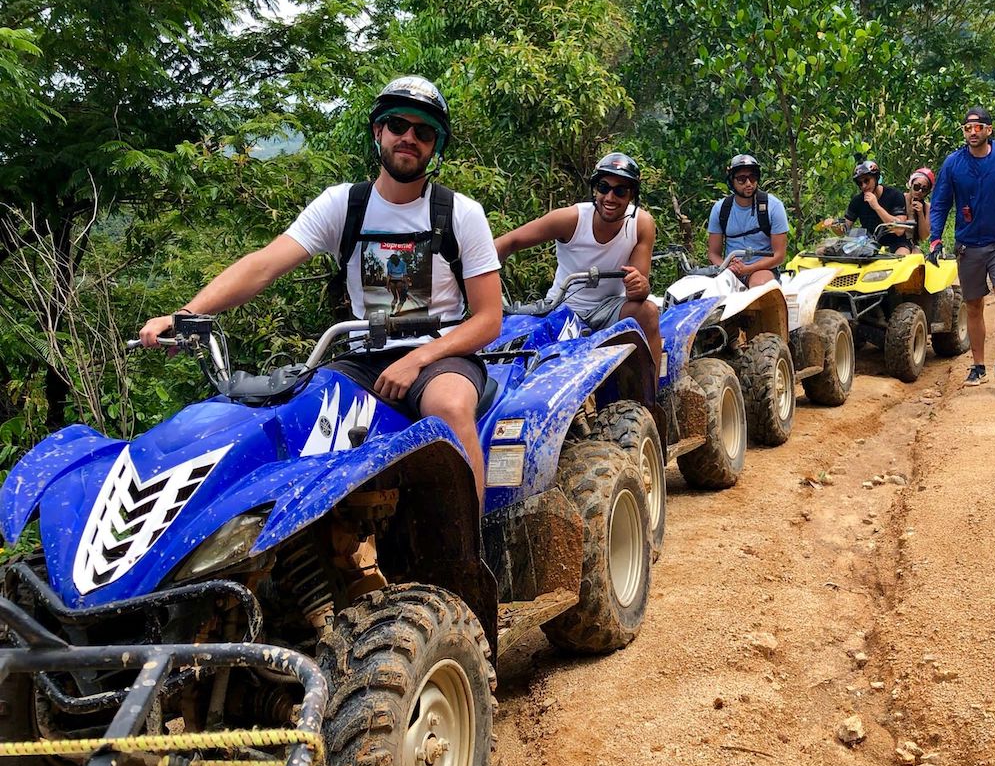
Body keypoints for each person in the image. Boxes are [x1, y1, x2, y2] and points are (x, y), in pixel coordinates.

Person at [139, 76, 503, 501]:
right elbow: (263, 265)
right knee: (294, 415)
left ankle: (466, 554)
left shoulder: (461, 213)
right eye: (398, 126)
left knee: (449, 407)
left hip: (443, 356)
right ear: (377, 131)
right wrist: (186, 315)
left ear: (435, 145)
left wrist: (419, 358)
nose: (409, 138)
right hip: (364, 358)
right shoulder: (343, 205)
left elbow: (488, 319)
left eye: (423, 132)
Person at [494, 152, 661, 369]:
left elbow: (637, 292)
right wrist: (472, 277)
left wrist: (641, 285)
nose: (610, 197)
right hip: (562, 306)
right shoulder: (571, 219)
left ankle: (651, 398)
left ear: (631, 196)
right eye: (603, 187)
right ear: (595, 189)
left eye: (620, 191)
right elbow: (509, 242)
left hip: (608, 308)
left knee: (648, 312)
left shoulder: (641, 224)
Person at [928, 105, 995, 389]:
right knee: (973, 305)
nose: (972, 133)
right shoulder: (953, 163)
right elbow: (939, 204)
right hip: (968, 245)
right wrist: (935, 239)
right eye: (967, 128)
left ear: (989, 130)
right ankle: (978, 367)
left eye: (978, 128)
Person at [706, 154, 790, 286]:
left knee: (759, 286)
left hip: (762, 269)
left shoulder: (773, 206)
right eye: (741, 179)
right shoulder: (720, 209)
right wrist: (726, 268)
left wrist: (748, 269)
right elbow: (713, 253)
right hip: (729, 271)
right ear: (731, 181)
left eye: (752, 177)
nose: (748, 183)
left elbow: (779, 255)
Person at [820, 160, 913, 254]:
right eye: (860, 183)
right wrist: (834, 226)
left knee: (902, 255)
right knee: (823, 251)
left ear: (876, 178)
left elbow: (900, 230)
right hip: (867, 242)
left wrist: (876, 206)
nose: (864, 186)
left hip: (895, 242)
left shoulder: (895, 195)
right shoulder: (857, 201)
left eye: (866, 180)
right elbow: (845, 229)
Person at [905, 166, 936, 244]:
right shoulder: (900, 199)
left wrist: (920, 214)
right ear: (911, 184)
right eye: (916, 187)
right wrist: (910, 214)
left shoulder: (927, 207)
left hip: (913, 244)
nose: (919, 191)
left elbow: (924, 236)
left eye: (924, 190)